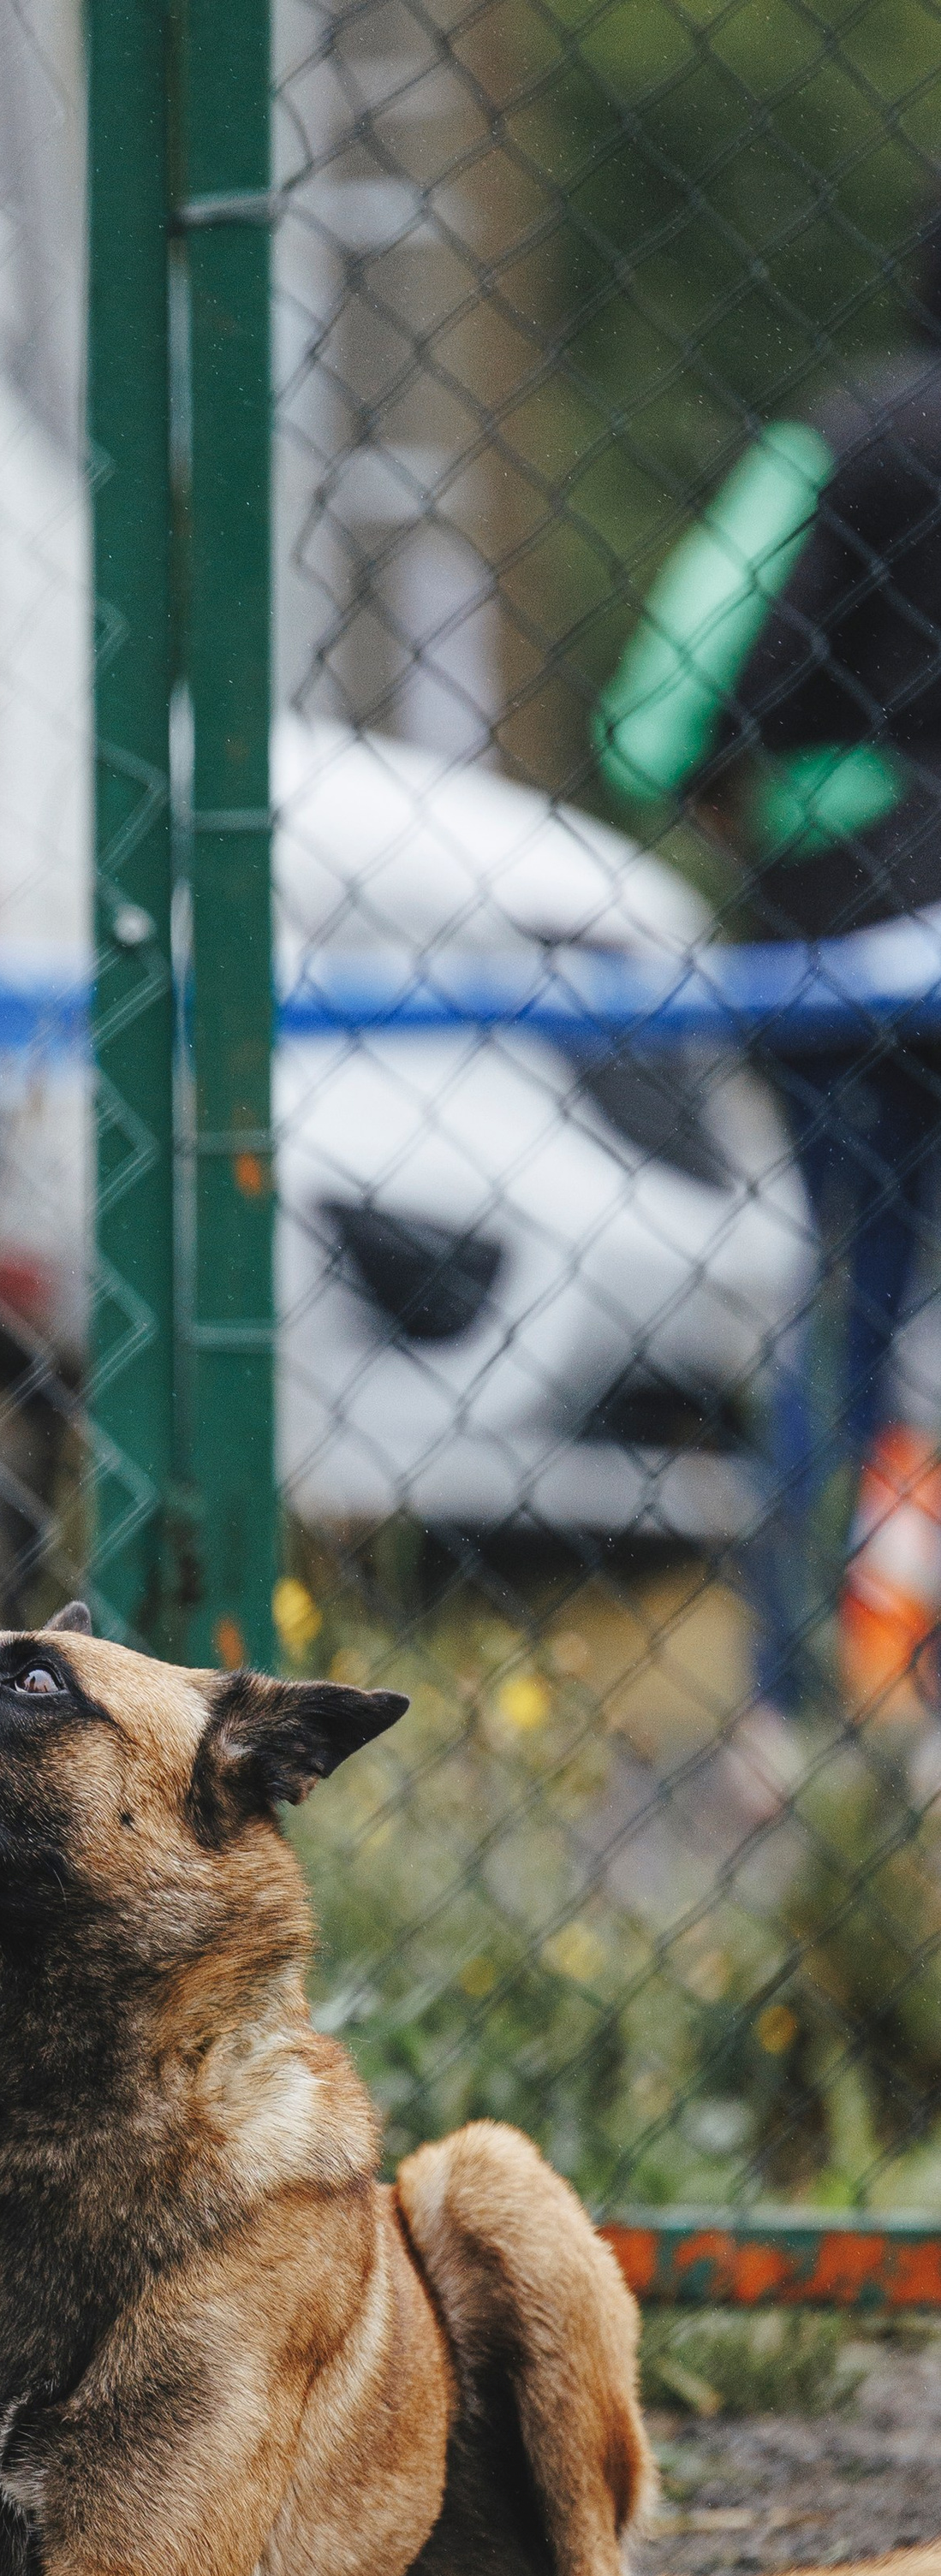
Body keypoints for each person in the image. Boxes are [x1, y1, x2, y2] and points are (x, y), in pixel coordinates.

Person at [597, 228, 941, 1761]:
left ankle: (793, 1713)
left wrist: (772, 801)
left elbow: (659, 714)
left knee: (849, 1312)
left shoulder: (853, 436)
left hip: (850, 935)